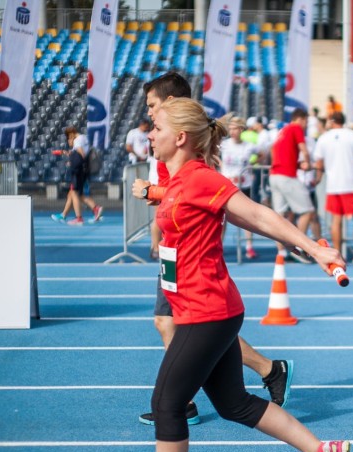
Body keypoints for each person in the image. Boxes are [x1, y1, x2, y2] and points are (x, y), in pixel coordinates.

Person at [111, 98, 350, 452]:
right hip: (200, 308)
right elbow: (186, 202)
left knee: (167, 403)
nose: (149, 134)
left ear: (180, 138)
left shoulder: (201, 178)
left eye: (157, 127)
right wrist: (156, 194)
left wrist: (313, 249)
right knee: (234, 403)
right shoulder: (182, 179)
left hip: (207, 310)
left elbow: (256, 214)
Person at [131, 72, 294, 427]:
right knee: (222, 379)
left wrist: (309, 245)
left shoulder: (191, 160)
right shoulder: (169, 147)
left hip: (192, 263)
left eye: (153, 108)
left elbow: (239, 209)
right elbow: (178, 196)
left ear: (173, 110)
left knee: (183, 329)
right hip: (178, 261)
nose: (149, 123)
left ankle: (182, 401)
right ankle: (266, 371)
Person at [313, 111, 353, 270]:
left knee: (336, 220)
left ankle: (338, 255)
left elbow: (319, 163)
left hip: (333, 185)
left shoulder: (323, 138)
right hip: (351, 183)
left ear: (332, 121)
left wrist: (318, 179)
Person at [268, 108, 316, 259]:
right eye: (306, 122)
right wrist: (307, 163)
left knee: (279, 216)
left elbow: (275, 151)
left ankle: (281, 251)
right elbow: (304, 150)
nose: (306, 126)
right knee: (307, 211)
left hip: (275, 174)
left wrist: (296, 164)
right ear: (300, 119)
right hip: (286, 176)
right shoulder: (296, 128)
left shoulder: (283, 130)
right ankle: (298, 247)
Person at [220, 116, 261, 258]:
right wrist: (220, 166)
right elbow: (212, 154)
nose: (232, 131)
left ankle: (249, 246)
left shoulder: (249, 146)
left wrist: (252, 166)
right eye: (230, 128)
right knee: (222, 217)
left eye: (235, 128)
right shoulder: (224, 144)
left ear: (241, 129)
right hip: (226, 185)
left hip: (244, 185)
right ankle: (219, 246)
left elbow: (261, 154)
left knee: (247, 217)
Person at [50, 126, 103, 225]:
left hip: (78, 171)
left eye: (68, 137)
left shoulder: (77, 141)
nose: (69, 140)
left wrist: (74, 163)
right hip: (82, 170)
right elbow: (79, 153)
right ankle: (64, 214)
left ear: (71, 134)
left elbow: (81, 154)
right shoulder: (83, 138)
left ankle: (81, 217)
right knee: (73, 193)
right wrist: (71, 156)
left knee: (75, 193)